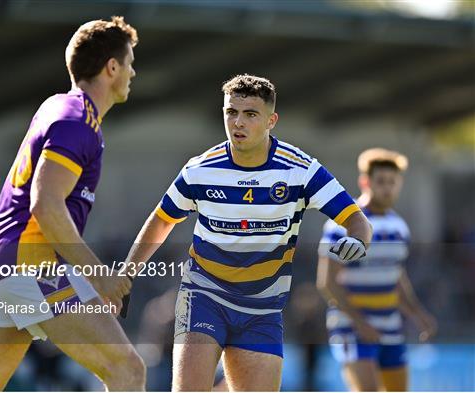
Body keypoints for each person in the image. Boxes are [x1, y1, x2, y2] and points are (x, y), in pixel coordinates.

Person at [123, 74, 372, 391]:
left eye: (250, 114)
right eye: (231, 112)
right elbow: (161, 221)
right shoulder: (200, 169)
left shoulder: (301, 169)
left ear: (271, 120)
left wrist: (358, 240)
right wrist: (127, 272)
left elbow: (357, 220)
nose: (238, 122)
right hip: (204, 297)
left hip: (262, 310)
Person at [0, 16, 146, 391]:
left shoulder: (60, 107)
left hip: (0, 268)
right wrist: (98, 274)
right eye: (130, 62)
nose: (133, 72)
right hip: (31, 266)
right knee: (128, 371)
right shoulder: (78, 122)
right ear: (111, 68)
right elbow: (46, 204)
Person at [317, 148, 437, 391]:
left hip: (390, 327)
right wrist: (360, 322)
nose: (387, 188)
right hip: (352, 328)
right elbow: (327, 282)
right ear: (365, 182)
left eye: (392, 182)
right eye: (381, 181)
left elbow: (396, 277)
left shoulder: (399, 227)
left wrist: (417, 313)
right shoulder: (343, 225)